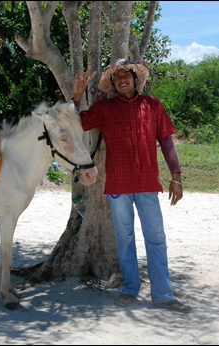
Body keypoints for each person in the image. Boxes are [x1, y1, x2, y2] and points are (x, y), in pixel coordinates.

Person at [72, 59, 191, 313]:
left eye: (127, 74)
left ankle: (163, 294)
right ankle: (130, 288)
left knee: (156, 238)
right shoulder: (104, 108)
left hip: (148, 184)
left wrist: (176, 177)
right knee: (125, 239)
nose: (122, 78)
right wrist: (77, 97)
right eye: (117, 77)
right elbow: (75, 125)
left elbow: (167, 143)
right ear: (112, 84)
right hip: (118, 184)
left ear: (136, 79)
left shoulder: (153, 106)